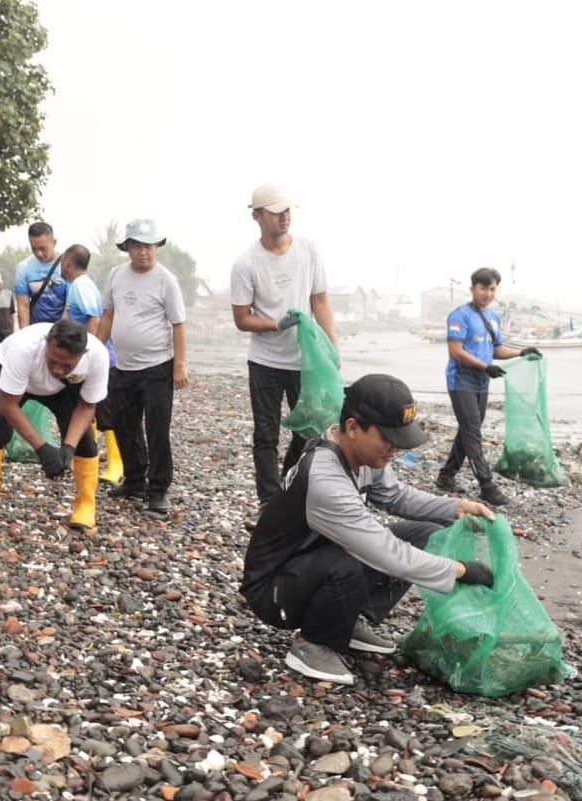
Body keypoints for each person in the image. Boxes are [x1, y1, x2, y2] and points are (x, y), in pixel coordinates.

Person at [241, 374, 498, 685]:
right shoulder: (326, 480)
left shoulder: (361, 455)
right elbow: (388, 553)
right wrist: (460, 570)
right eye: (388, 438)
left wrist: (456, 507)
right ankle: (313, 643)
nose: (395, 449)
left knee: (424, 533)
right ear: (352, 427)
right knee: (355, 559)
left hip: (309, 563)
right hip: (273, 591)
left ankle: (347, 620)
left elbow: (396, 496)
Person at [231, 184, 338, 517]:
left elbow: (320, 300)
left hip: (304, 360)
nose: (284, 217)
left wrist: (331, 348)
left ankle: (288, 487)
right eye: (276, 212)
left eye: (287, 211)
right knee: (266, 432)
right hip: (264, 360)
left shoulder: (308, 250)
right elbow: (241, 318)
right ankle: (268, 499)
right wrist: (275, 324)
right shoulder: (246, 262)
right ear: (257, 216)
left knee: (309, 429)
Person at [0, 319, 109, 531]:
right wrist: (42, 448)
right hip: (13, 375)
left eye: (67, 365)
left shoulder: (97, 356)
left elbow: (87, 407)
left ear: (82, 355)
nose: (58, 369)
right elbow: (8, 404)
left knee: (84, 438)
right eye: (53, 360)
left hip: (61, 389)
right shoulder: (24, 348)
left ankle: (85, 505)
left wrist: (68, 447)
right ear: (46, 344)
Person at [96, 219, 188, 515]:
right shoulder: (116, 275)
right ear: (128, 247)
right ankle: (134, 479)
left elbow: (178, 323)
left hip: (158, 366)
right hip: (123, 366)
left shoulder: (166, 280)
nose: (143, 252)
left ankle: (158, 489)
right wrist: (95, 351)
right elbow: (108, 315)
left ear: (156, 247)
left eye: (149, 246)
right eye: (137, 246)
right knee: (124, 424)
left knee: (157, 429)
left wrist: (180, 364)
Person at [436, 267, 540, 506]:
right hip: (461, 381)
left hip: (481, 382)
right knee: (473, 432)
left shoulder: (493, 317)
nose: (488, 293)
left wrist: (521, 352)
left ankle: (446, 476)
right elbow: (456, 351)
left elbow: (496, 350)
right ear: (473, 288)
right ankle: (487, 485)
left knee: (468, 430)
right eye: (483, 288)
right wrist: (485, 367)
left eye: (492, 289)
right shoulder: (459, 316)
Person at [61, 243, 123, 485]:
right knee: (87, 408)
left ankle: (117, 463)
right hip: (90, 357)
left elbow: (94, 320)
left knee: (105, 411)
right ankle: (89, 456)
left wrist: (87, 354)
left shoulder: (81, 286)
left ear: (67, 262)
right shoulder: (79, 285)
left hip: (98, 359)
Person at [14, 221, 68, 327]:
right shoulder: (23, 268)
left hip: (61, 327)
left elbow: (69, 305)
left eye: (43, 248)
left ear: (54, 242)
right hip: (35, 327)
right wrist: (25, 332)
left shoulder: (67, 266)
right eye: (34, 249)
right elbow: (23, 306)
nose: (39, 253)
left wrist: (61, 331)